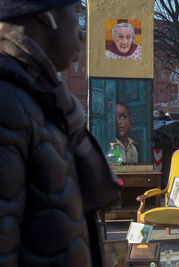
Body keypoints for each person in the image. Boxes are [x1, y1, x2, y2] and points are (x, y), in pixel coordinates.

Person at [0, 1, 120, 266]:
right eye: (77, 13)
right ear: (46, 14)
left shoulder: (41, 99)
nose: (81, 34)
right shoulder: (8, 103)